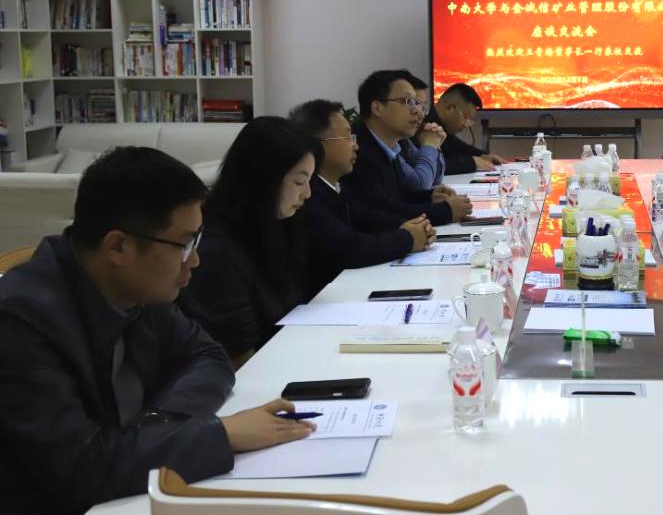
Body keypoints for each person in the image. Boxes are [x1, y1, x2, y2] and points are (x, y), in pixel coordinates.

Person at [0, 147, 313, 514]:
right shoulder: (21, 319)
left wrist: (156, 426)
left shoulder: (137, 286)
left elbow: (209, 356)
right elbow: (81, 469)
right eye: (184, 244)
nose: (194, 260)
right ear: (118, 246)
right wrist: (220, 435)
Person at [179, 117, 322, 368]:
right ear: (264, 178)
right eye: (299, 182)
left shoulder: (275, 223)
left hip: (287, 357)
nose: (307, 193)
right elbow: (237, 357)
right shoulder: (217, 251)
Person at [289, 99, 436, 294]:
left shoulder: (335, 186)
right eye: (347, 137)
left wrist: (413, 227)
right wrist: (407, 238)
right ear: (319, 145)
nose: (355, 146)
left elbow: (367, 216)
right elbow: (348, 248)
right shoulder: (308, 195)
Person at [344, 70, 473, 226]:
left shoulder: (389, 146)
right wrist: (447, 211)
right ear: (377, 108)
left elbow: (399, 197)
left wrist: (431, 197)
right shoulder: (358, 151)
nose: (417, 111)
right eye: (407, 101)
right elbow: (383, 211)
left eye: (417, 103)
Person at [425, 83, 507, 174]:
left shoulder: (444, 129)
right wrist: (472, 162)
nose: (466, 125)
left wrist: (484, 156)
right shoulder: (425, 128)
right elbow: (432, 166)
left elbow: (461, 148)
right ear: (449, 108)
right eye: (466, 117)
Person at [396, 70, 447, 189]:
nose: (420, 113)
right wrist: (429, 145)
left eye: (423, 107)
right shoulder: (374, 144)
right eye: (412, 103)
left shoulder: (404, 140)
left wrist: (435, 146)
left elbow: (436, 178)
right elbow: (420, 185)